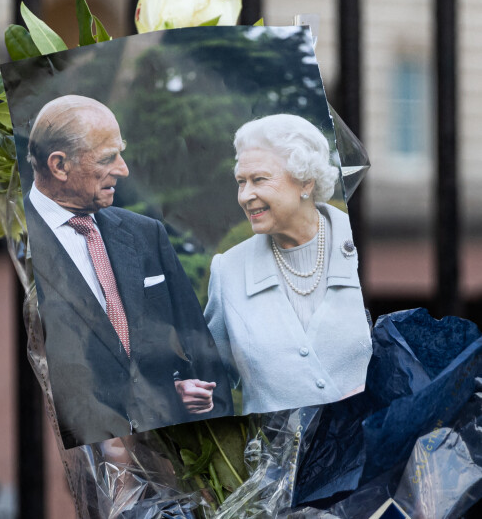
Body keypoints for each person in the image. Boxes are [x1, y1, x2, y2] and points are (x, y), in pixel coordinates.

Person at [24, 94, 233, 448]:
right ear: (59, 166)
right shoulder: (22, 245)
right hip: (96, 462)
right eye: (108, 158)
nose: (123, 169)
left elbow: (199, 349)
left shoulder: (145, 233)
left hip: (179, 451)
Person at [205, 114, 372, 415]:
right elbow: (209, 378)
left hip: (370, 454)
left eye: (259, 180)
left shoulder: (362, 245)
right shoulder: (228, 270)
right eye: (241, 182)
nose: (245, 196)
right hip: (273, 459)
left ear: (305, 181)